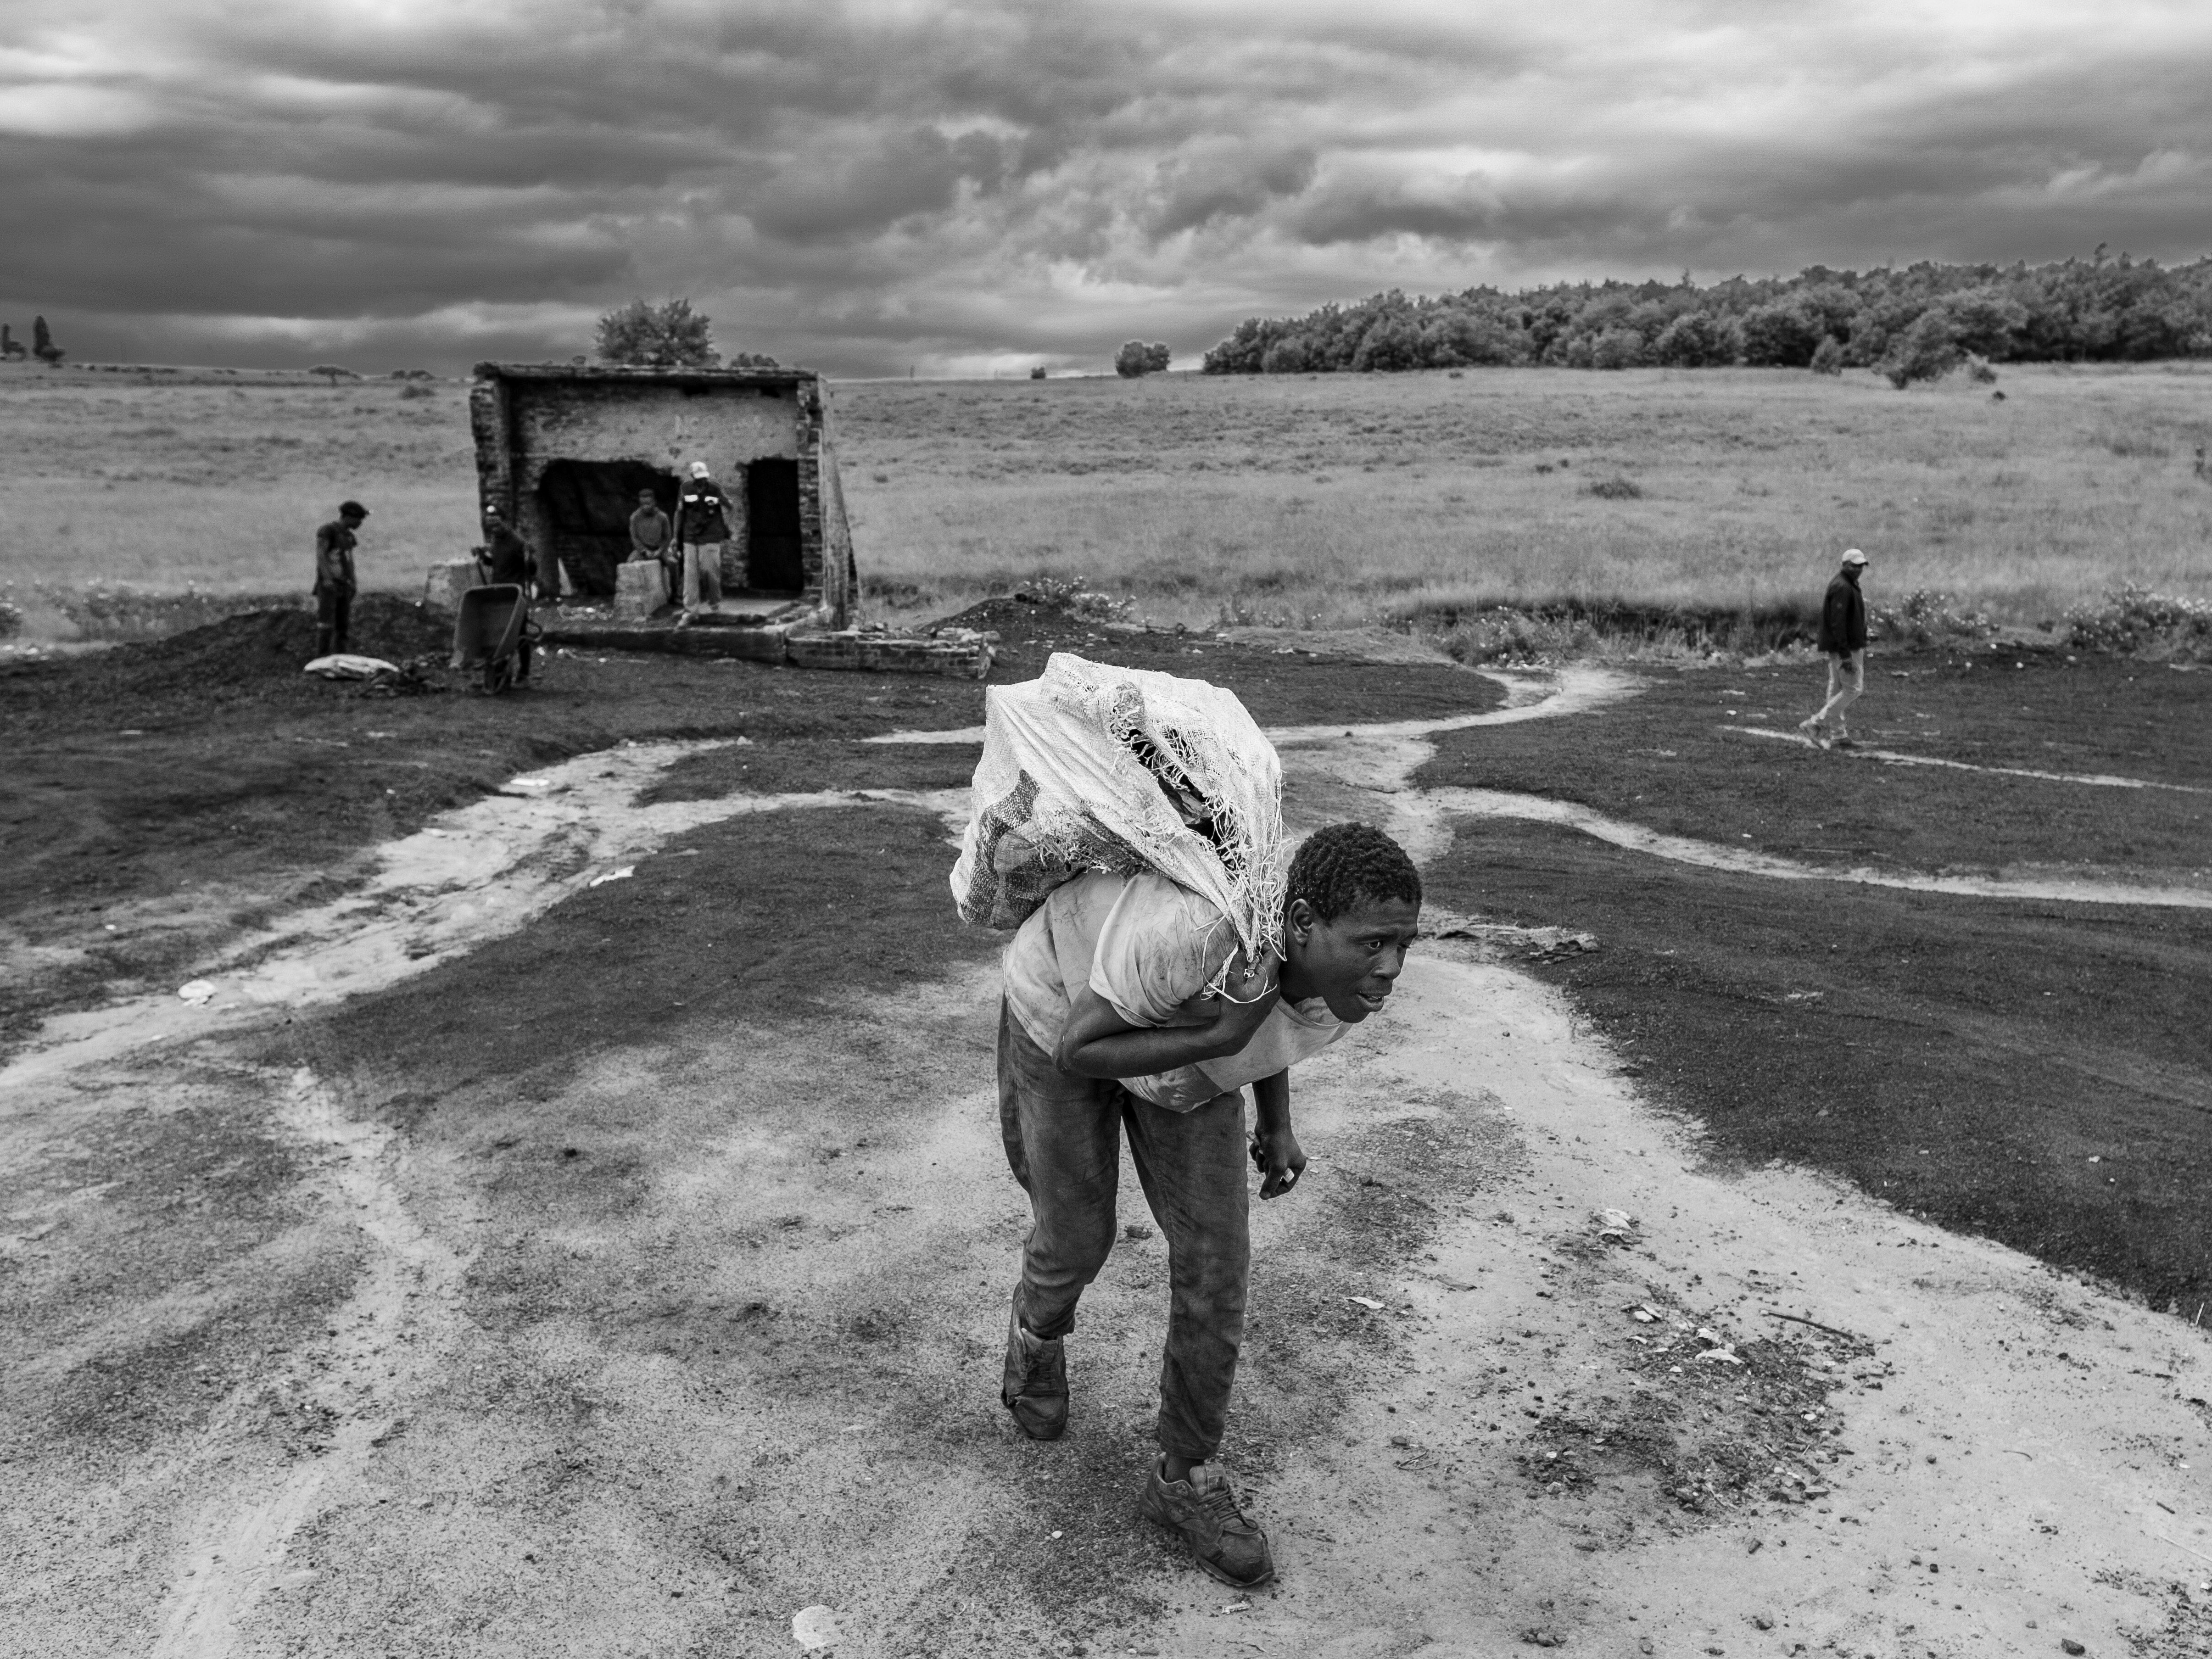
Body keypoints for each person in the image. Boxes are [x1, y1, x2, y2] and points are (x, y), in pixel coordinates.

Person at [997, 822, 1423, 1590]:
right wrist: (1224, 1029)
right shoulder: (1201, 941)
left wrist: (1279, 1121)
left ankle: (1182, 1478)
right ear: (1301, 924)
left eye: (1405, 944)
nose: (1391, 967)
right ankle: (1036, 1341)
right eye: (1373, 943)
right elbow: (1084, 1049)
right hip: (1066, 1005)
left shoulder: (1346, 988)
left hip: (1185, 1033)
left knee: (1217, 1261)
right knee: (1078, 1235)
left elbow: (1278, 1017)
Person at [1800, 548, 1870, 750]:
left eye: (1861, 566)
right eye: (1854, 565)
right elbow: (1837, 624)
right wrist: (1846, 654)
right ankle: (1814, 724)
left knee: (1838, 689)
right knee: (1853, 689)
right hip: (1846, 648)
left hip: (1844, 645)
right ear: (1844, 565)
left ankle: (1838, 736)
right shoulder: (1843, 587)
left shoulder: (1846, 584)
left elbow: (1844, 621)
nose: (1858, 570)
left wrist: (1863, 633)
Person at [673, 460, 730, 619]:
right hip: (691, 536)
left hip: (711, 535)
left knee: (710, 571)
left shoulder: (715, 488)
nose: (702, 481)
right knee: (690, 574)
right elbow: (679, 513)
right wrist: (674, 537)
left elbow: (729, 505)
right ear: (693, 477)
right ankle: (691, 610)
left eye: (704, 478)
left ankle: (715, 601)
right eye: (699, 478)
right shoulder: (686, 489)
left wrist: (721, 502)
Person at [312, 500, 367, 659]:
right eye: (359, 519)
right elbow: (321, 556)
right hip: (329, 585)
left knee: (343, 623)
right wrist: (327, 579)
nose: (360, 523)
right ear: (349, 517)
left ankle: (341, 656)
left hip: (344, 585)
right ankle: (322, 656)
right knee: (326, 623)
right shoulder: (328, 531)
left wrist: (353, 582)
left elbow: (349, 562)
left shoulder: (349, 536)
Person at [627, 488, 672, 567]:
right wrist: (644, 551)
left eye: (648, 504)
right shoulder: (635, 518)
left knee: (673, 562)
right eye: (643, 504)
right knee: (630, 563)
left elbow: (667, 537)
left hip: (661, 549)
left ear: (654, 502)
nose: (646, 507)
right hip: (642, 551)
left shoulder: (663, 517)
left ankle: (674, 580)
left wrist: (660, 550)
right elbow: (634, 538)